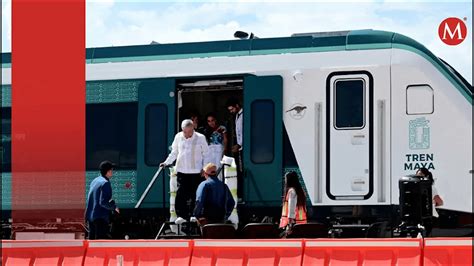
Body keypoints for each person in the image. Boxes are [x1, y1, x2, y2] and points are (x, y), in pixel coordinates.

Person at [161, 119, 210, 222]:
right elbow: (174, 152)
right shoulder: (178, 137)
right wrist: (166, 162)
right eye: (185, 132)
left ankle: (194, 215)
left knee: (196, 194)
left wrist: (205, 168)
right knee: (181, 194)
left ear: (193, 128)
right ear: (182, 130)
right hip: (182, 171)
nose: (187, 134)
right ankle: (181, 216)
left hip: (196, 172)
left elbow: (206, 154)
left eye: (190, 132)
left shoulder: (201, 138)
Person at [85, 160, 120, 239]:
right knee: (100, 243)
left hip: (91, 217)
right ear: (108, 171)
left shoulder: (95, 181)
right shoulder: (105, 183)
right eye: (111, 170)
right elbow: (103, 202)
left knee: (92, 243)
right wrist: (114, 207)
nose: (112, 172)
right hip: (100, 218)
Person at [416, 167, 443, 236]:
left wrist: (432, 204)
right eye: (417, 175)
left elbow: (440, 202)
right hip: (419, 217)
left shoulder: (431, 188)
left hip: (429, 217)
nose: (418, 177)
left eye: (420, 175)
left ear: (427, 176)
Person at [226, 98, 243, 199]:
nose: (231, 111)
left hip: (241, 147)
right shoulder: (237, 116)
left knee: (241, 170)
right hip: (239, 147)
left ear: (237, 106)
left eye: (232, 109)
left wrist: (239, 145)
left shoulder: (243, 115)